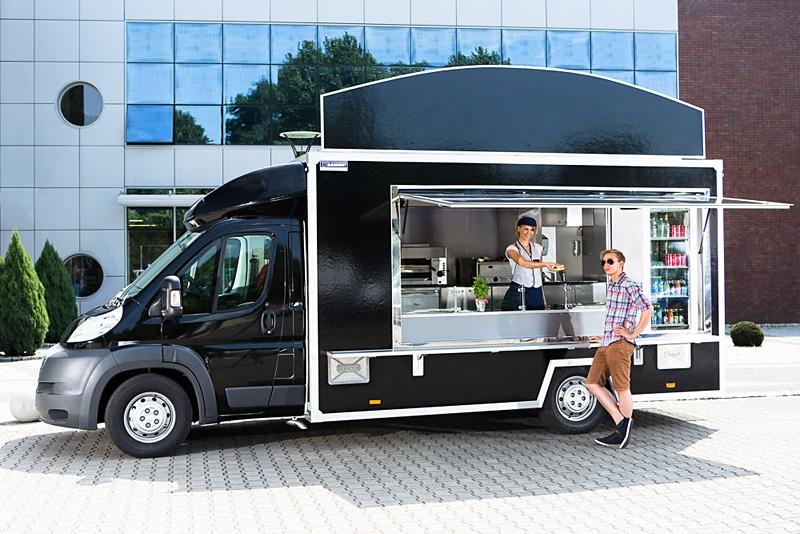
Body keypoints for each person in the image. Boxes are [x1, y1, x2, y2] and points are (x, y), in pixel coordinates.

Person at [586, 249, 653, 449]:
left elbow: (647, 308)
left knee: (621, 388)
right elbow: (615, 315)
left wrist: (632, 334)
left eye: (610, 261)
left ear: (621, 263)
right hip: (607, 342)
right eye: (603, 262)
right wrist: (603, 334)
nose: (606, 265)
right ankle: (622, 423)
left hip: (620, 345)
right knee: (592, 382)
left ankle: (622, 433)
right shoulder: (613, 285)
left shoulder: (629, 285)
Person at [501, 216, 558, 311]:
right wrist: (545, 264)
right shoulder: (512, 249)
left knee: (537, 321)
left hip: (536, 293)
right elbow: (522, 262)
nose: (529, 232)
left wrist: (543, 299)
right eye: (526, 229)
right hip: (519, 291)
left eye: (532, 230)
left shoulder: (538, 248)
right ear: (518, 229)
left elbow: (538, 275)